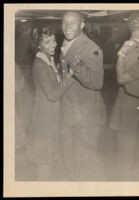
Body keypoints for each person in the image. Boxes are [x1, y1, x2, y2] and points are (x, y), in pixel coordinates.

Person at [60, 11, 107, 180]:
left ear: (82, 25)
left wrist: (80, 68)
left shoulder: (91, 48)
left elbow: (97, 82)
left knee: (86, 164)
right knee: (70, 160)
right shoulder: (66, 43)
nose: (68, 26)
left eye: (73, 23)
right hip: (69, 112)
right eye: (64, 22)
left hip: (86, 116)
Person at [27, 26, 74, 181]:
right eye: (47, 42)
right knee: (44, 162)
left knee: (49, 160)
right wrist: (70, 77)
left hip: (50, 119)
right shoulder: (40, 65)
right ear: (38, 45)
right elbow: (53, 94)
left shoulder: (48, 60)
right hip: (44, 122)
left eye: (53, 40)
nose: (53, 44)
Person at [109, 11, 139, 180]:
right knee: (127, 159)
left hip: (135, 111)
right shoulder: (134, 48)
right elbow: (128, 83)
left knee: (133, 157)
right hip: (130, 111)